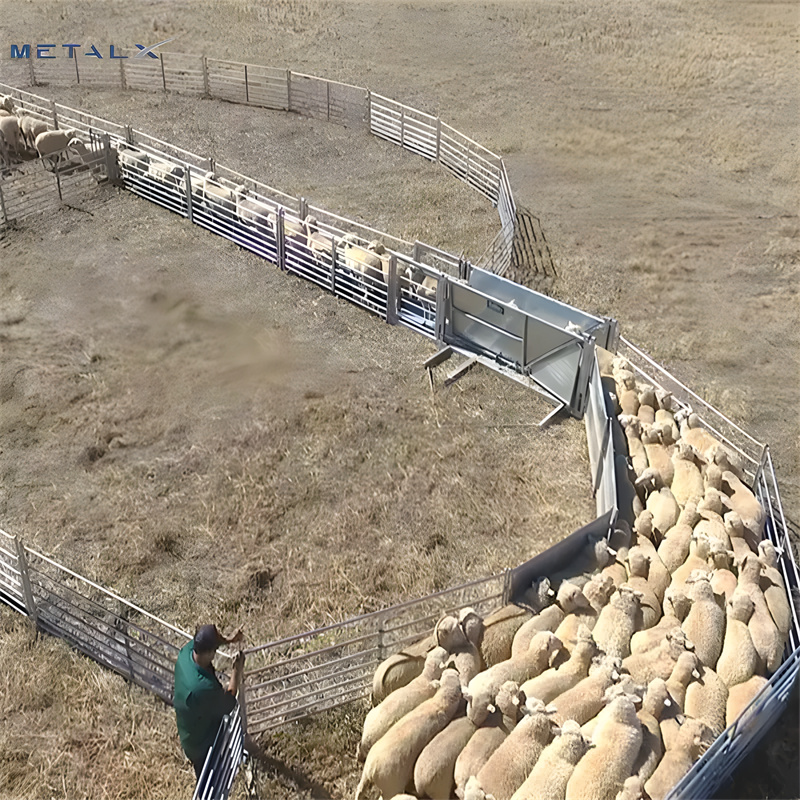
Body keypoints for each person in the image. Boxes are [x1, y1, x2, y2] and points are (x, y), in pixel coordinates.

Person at [173, 623, 245, 780]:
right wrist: (236, 671)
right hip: (199, 743)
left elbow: (209, 640)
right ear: (210, 653)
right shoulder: (201, 688)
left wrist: (230, 640)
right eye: (215, 649)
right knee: (210, 779)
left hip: (188, 723)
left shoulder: (188, 651)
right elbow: (229, 700)